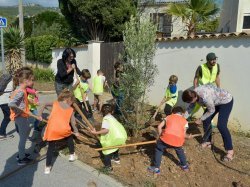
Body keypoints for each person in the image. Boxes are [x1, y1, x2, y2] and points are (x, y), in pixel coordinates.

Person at [182, 84, 234, 162]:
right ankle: (208, 142)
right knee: (206, 121)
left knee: (221, 125)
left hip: (225, 101)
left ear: (194, 97)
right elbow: (190, 108)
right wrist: (182, 119)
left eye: (189, 101)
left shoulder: (205, 97)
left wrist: (200, 119)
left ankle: (230, 151)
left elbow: (211, 110)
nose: (190, 103)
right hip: (214, 101)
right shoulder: (193, 94)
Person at [8, 67, 41, 165]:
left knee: (25, 133)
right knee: (23, 138)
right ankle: (21, 158)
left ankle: (21, 153)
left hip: (22, 117)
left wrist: (32, 101)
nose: (33, 82)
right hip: (20, 117)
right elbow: (11, 103)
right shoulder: (21, 91)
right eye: (32, 80)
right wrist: (19, 110)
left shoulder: (22, 89)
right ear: (26, 80)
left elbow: (23, 101)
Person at [42, 89, 79, 174]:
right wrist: (76, 132)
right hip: (64, 130)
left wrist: (40, 115)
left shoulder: (55, 103)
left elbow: (43, 104)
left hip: (52, 130)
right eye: (71, 102)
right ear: (68, 99)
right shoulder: (70, 109)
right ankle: (71, 155)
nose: (71, 104)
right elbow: (73, 123)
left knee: (50, 148)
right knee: (69, 138)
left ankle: (47, 168)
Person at [148, 106, 190, 174]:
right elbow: (183, 134)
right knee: (180, 151)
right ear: (182, 113)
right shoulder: (185, 121)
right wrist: (188, 137)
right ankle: (184, 166)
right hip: (178, 141)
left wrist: (160, 136)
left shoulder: (169, 117)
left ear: (173, 112)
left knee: (159, 149)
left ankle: (156, 168)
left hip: (166, 138)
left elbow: (159, 127)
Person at [90, 104, 127, 171]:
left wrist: (95, 133)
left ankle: (108, 167)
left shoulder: (106, 119)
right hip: (120, 136)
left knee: (106, 151)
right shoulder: (112, 117)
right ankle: (116, 158)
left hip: (115, 138)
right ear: (112, 112)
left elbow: (106, 130)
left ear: (102, 112)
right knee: (115, 146)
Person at [191, 52, 221, 118]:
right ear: (208, 60)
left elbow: (217, 77)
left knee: (207, 104)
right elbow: (196, 78)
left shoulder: (217, 66)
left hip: (211, 88)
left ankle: (209, 120)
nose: (214, 61)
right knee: (200, 104)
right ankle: (189, 116)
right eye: (212, 60)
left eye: (215, 59)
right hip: (202, 87)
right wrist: (196, 90)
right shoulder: (201, 67)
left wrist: (218, 88)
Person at [0, 73, 13, 140]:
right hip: (6, 101)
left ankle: (2, 133)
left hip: (1, 101)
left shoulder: (4, 81)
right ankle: (1, 134)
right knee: (8, 117)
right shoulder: (12, 82)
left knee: (6, 117)